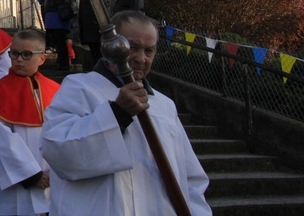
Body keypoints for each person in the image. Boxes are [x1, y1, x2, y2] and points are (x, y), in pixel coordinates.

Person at [40, 11, 212, 216]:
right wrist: (117, 114)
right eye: (133, 47)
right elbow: (58, 152)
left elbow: (190, 178)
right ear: (107, 44)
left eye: (149, 51)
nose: (141, 58)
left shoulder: (164, 106)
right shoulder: (78, 88)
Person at [0, 30, 59, 216]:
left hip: (52, 177)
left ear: (42, 59)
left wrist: (53, 171)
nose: (19, 59)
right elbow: (2, 141)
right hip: (16, 181)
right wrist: (31, 175)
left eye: (27, 54)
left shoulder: (56, 90)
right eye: (14, 53)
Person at [43, 0, 76, 70]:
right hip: (53, 11)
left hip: (59, 12)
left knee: (60, 38)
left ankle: (64, 62)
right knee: (56, 38)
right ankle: (61, 60)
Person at [78, 0, 110, 69]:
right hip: (90, 26)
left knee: (98, 52)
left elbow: (101, 4)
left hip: (95, 26)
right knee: (94, 51)